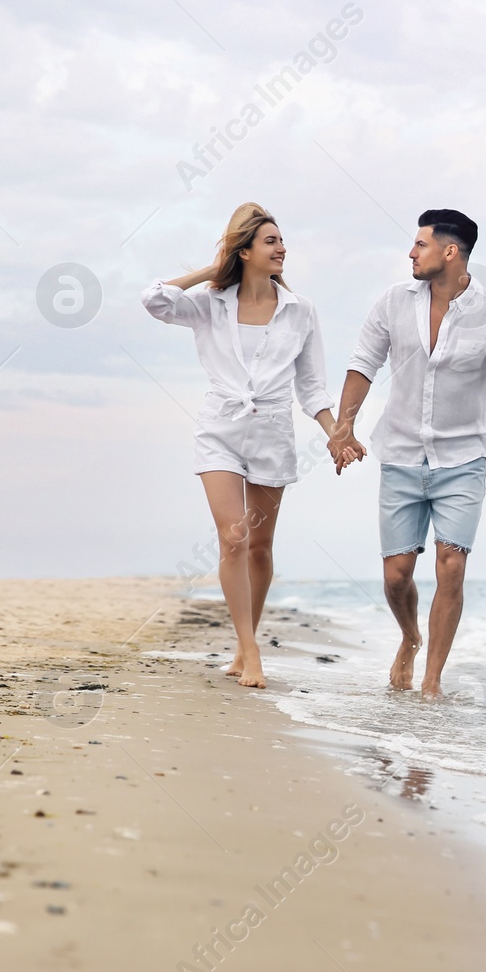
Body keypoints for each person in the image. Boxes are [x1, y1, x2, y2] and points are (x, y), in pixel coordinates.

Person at [327, 209, 486, 698]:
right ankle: (409, 636)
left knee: (451, 564)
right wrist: (344, 428)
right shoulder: (393, 303)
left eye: (420, 244)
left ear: (450, 251)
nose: (411, 252)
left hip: (462, 459)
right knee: (396, 575)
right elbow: (363, 365)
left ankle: (432, 681)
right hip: (400, 452)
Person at [141, 202, 345, 689]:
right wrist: (216, 268)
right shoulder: (211, 304)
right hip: (220, 429)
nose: (282, 249)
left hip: (273, 433)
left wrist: (336, 434)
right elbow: (154, 299)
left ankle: (243, 640)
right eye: (271, 241)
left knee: (260, 548)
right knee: (233, 536)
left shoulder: (301, 312)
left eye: (281, 241)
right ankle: (251, 652)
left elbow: (312, 387)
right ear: (246, 250)